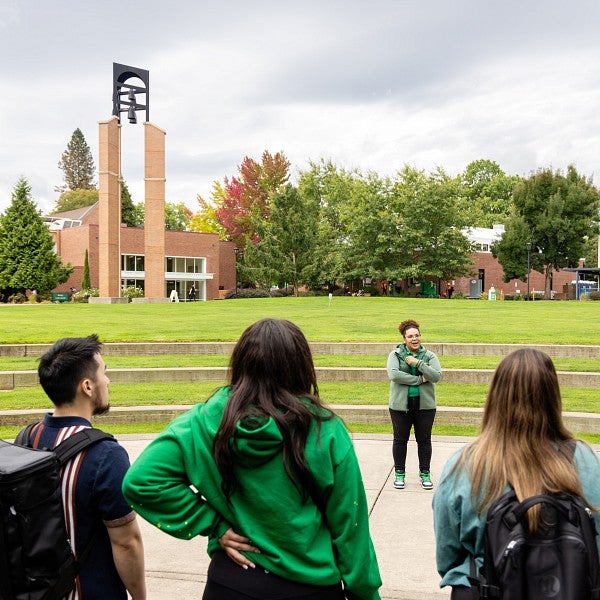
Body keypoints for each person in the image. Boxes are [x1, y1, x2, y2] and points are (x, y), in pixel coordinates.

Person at [123, 318, 382, 600]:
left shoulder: (201, 422)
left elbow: (141, 481)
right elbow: (350, 525)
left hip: (231, 584)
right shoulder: (325, 430)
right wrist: (365, 593)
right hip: (310, 585)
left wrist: (212, 523)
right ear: (300, 366)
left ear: (241, 363)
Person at [432, 348, 600, 599]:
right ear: (553, 396)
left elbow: (448, 557)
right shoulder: (585, 460)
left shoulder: (465, 464)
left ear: (495, 396)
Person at [19, 335, 146, 600]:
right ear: (87, 386)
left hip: (34, 591)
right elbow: (126, 543)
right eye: (104, 373)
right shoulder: (105, 455)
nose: (108, 382)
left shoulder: (26, 439)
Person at [387, 319, 442, 490]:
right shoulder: (395, 355)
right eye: (410, 336)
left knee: (424, 440)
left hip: (424, 407)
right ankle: (399, 474)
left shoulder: (429, 356)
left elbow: (436, 376)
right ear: (404, 338)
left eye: (417, 335)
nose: (414, 339)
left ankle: (425, 474)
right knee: (400, 440)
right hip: (400, 407)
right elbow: (394, 375)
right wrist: (419, 380)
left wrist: (417, 363)